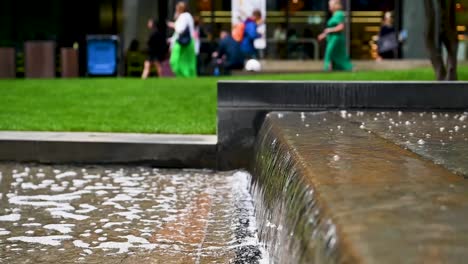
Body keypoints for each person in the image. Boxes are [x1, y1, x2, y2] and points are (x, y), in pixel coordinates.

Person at [318, 0, 352, 71]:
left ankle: (327, 68)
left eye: (330, 5)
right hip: (332, 38)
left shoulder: (339, 14)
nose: (329, 7)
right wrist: (323, 35)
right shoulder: (334, 14)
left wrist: (329, 30)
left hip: (336, 38)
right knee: (335, 55)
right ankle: (334, 68)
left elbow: (341, 27)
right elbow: (330, 29)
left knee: (329, 53)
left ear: (335, 5)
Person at [167, 2, 197, 77]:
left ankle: (183, 76)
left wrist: (173, 25)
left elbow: (180, 30)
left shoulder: (183, 16)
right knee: (189, 62)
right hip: (190, 42)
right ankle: (188, 78)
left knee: (175, 61)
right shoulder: (188, 16)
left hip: (183, 43)